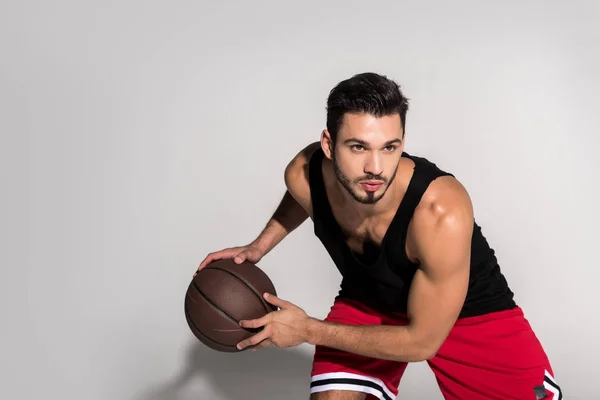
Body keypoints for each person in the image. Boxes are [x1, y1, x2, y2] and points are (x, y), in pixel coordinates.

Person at [196, 72, 562, 400]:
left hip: (467, 316)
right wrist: (261, 245)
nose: (375, 168)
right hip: (370, 300)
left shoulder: (439, 211)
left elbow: (422, 341)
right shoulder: (303, 174)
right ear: (328, 144)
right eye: (358, 147)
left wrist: (308, 329)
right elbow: (304, 198)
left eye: (390, 147)